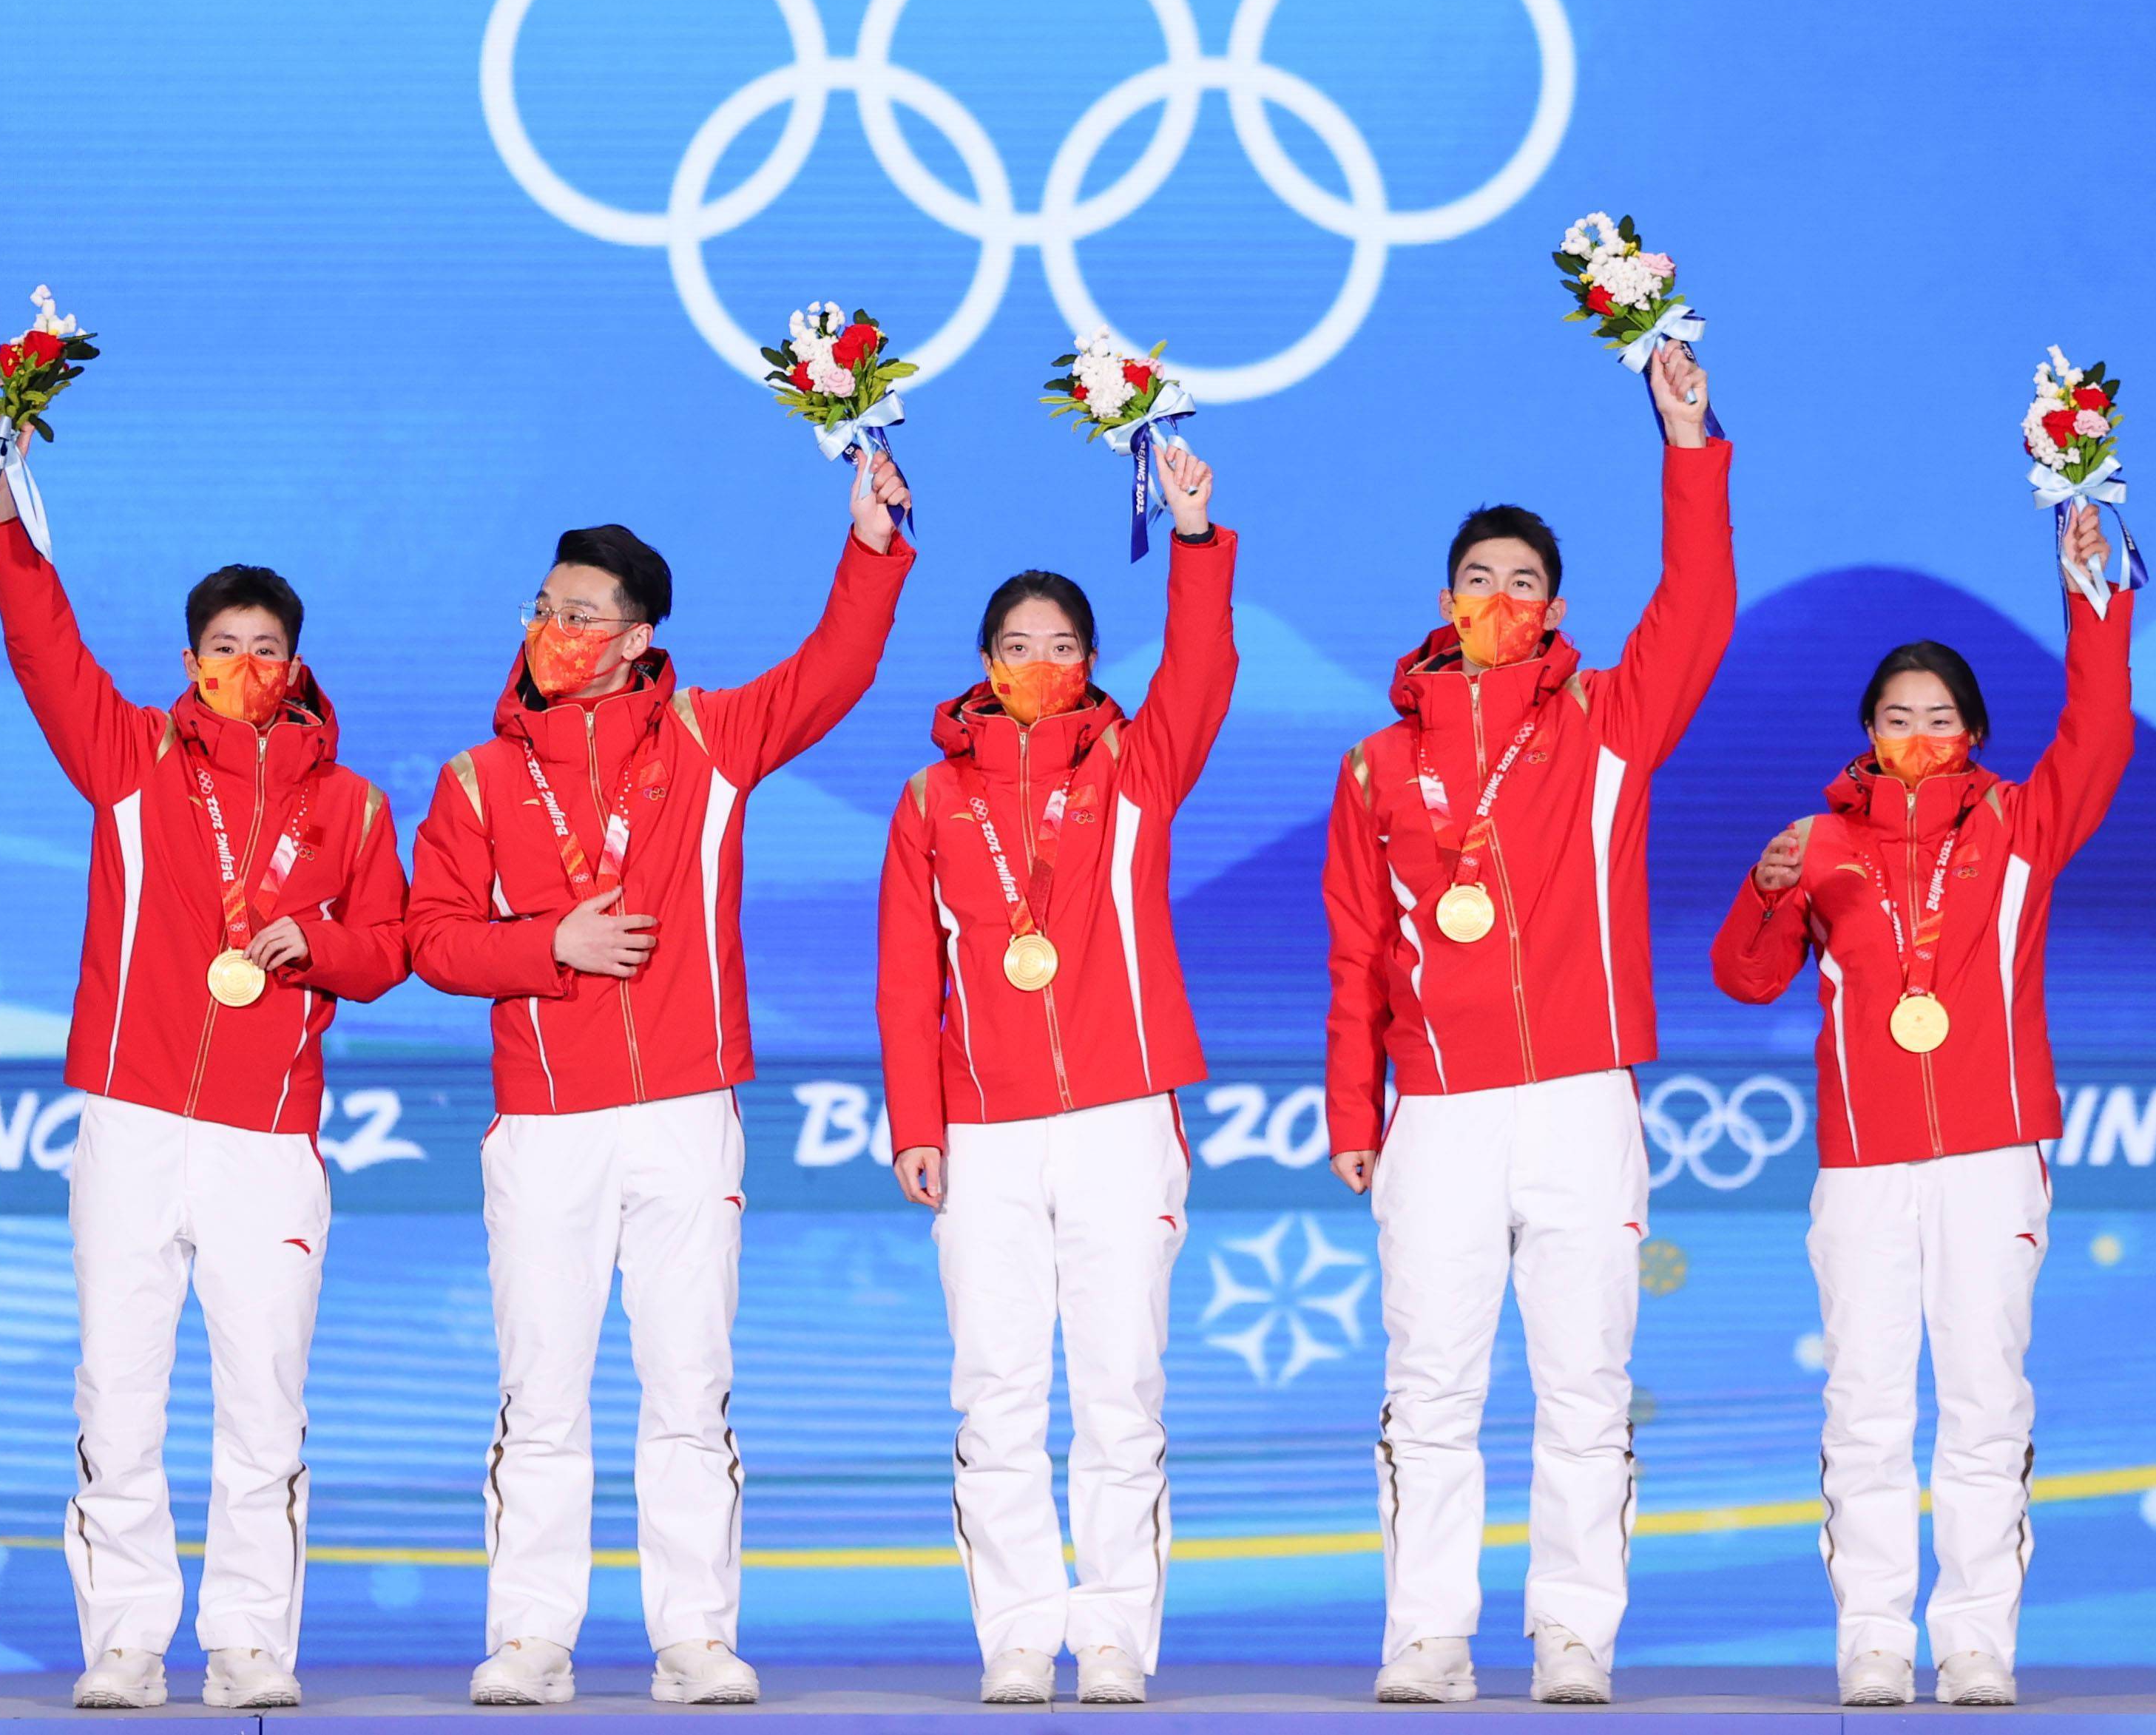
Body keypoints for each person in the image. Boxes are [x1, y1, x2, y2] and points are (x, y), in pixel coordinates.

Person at [408, 450, 915, 1708]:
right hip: (545, 1121)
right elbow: (430, 939)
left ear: (637, 640)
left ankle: (694, 1636)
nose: (554, 631)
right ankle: (530, 1637)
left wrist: (871, 545)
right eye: (543, 608)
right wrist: (551, 945)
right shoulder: (477, 778)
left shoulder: (708, 738)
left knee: (690, 1384)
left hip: (687, 1107)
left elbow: (835, 668)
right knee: (541, 1391)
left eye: (582, 615)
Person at [0, 422, 410, 1712]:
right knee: (119, 1389)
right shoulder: (130, 762)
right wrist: (4, 511)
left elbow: (391, 947)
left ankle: (251, 1638)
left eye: (267, 648)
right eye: (224, 646)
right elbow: (43, 647)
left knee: (264, 1400)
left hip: (268, 1139)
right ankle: (124, 1637)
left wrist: (318, 941)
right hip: (133, 1120)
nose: (246, 666)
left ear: (297, 664)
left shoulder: (354, 806)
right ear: (189, 663)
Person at [1319, 341, 1731, 1707]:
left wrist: (1687, 442)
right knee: (1429, 1382)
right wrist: (1354, 1108)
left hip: (1576, 1097)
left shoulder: (1608, 723)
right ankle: (1428, 1635)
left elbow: (1699, 606)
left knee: (1585, 1382)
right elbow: (1357, 950)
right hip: (1436, 1109)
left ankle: (1573, 1634)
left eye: (1526, 582)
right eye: (1480, 578)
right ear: (1445, 601)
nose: (1502, 598)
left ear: (1556, 608)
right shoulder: (1378, 764)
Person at [1709, 501, 2134, 1709]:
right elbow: (1744, 977)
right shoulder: (1818, 841)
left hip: (1994, 1152)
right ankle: (1874, 1637)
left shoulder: (2019, 825)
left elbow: (2100, 729)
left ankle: (1978, 1637)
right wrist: (1765, 887)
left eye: (1940, 718)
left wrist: (2088, 595)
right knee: (1866, 1400)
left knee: (1988, 1396)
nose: (1918, 734)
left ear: (1975, 731)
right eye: (1897, 717)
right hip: (1863, 1162)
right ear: (1867, 731)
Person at [876, 442, 1237, 1709]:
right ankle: (1021, 1630)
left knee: (1121, 1386)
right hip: (982, 1128)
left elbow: (1203, 668)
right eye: (1018, 645)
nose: (1040, 662)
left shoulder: (1136, 771)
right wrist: (917, 1123)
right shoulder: (931, 799)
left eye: (1063, 644)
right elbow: (905, 976)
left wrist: (1192, 534)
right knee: (999, 1388)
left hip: (1122, 1116)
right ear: (984, 663)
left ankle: (1117, 1631)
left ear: (1091, 660)